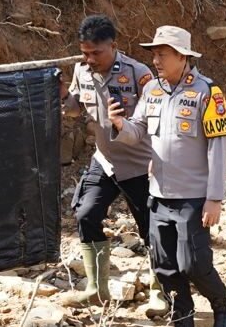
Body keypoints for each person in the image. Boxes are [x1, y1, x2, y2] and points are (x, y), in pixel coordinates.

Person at [109, 26, 226, 327]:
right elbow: (138, 130)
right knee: (164, 265)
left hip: (193, 196)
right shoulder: (151, 89)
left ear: (182, 56)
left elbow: (218, 147)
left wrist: (215, 198)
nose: (155, 60)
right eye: (153, 53)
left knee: (194, 264)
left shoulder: (208, 92)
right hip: (159, 194)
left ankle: (224, 309)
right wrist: (120, 125)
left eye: (162, 54)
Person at [60, 15, 160, 311]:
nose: (90, 59)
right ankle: (96, 288)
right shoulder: (82, 71)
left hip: (140, 164)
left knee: (151, 228)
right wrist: (64, 95)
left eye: (96, 53)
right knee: (85, 214)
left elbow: (157, 118)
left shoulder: (139, 74)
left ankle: (161, 290)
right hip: (104, 161)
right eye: (85, 53)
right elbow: (76, 110)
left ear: (113, 46)